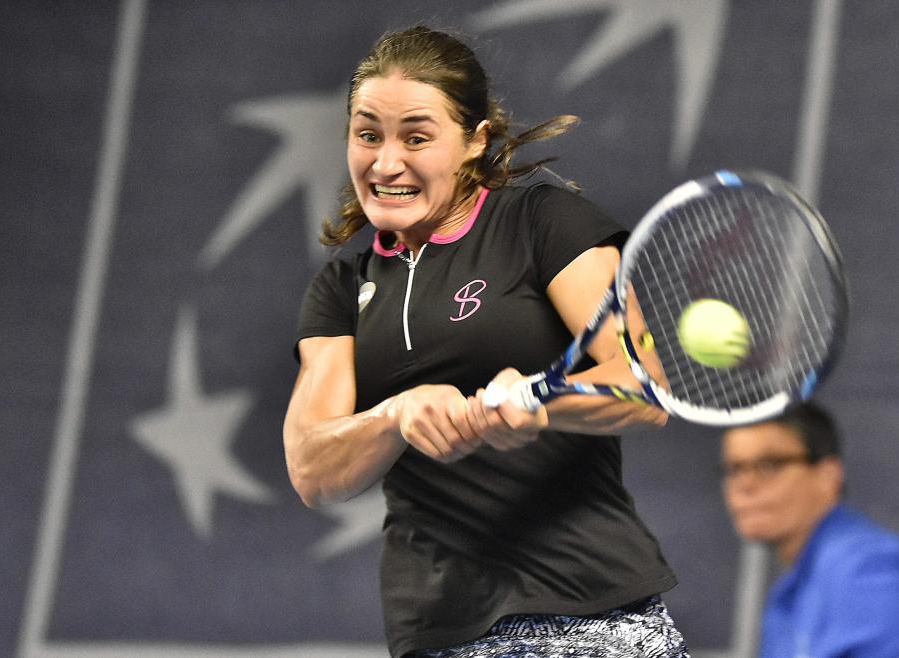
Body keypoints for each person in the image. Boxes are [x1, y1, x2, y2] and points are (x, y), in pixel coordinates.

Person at [284, 25, 688, 658]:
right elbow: (312, 468)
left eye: (416, 137)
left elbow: (644, 386)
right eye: (368, 135)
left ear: (474, 142)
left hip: (594, 622)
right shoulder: (342, 288)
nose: (386, 163)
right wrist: (396, 414)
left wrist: (540, 403)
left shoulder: (543, 223)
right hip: (440, 633)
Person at [720, 402, 899, 658]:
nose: (745, 484)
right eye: (734, 469)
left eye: (769, 465)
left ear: (828, 476)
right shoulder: (786, 593)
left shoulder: (866, 569)